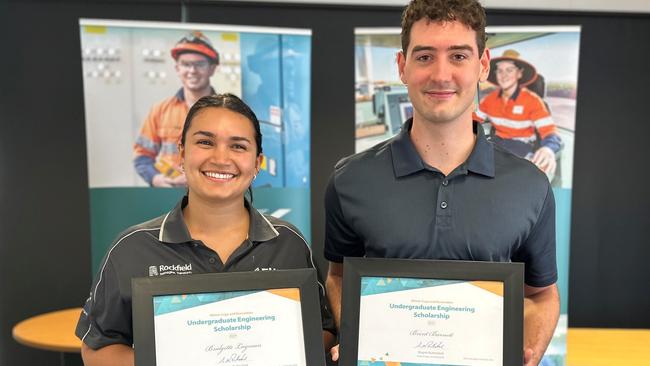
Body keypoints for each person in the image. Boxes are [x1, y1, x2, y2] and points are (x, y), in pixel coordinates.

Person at [324, 1, 559, 365]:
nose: (441, 74)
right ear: (402, 67)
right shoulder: (350, 180)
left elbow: (542, 295)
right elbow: (338, 276)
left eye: (459, 57)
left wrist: (529, 352)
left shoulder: (530, 186)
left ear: (483, 65)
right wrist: (356, 334)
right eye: (424, 57)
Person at [77, 94, 336, 365]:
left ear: (257, 162)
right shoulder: (132, 249)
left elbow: (324, 329)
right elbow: (97, 348)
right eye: (205, 142)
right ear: (181, 152)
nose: (221, 158)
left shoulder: (288, 243)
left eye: (238, 146)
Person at [133, 31, 219, 187]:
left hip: (213, 194)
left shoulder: (229, 113)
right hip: (170, 196)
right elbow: (142, 157)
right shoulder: (160, 111)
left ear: (212, 69)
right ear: (177, 68)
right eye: (186, 64)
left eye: (199, 64)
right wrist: (157, 179)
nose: (192, 71)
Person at [476, 49, 562, 177]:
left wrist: (548, 149)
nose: (503, 75)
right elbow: (474, 121)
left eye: (509, 70)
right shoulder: (490, 100)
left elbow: (550, 133)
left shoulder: (533, 101)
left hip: (523, 151)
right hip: (496, 147)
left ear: (519, 73)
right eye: (500, 70)